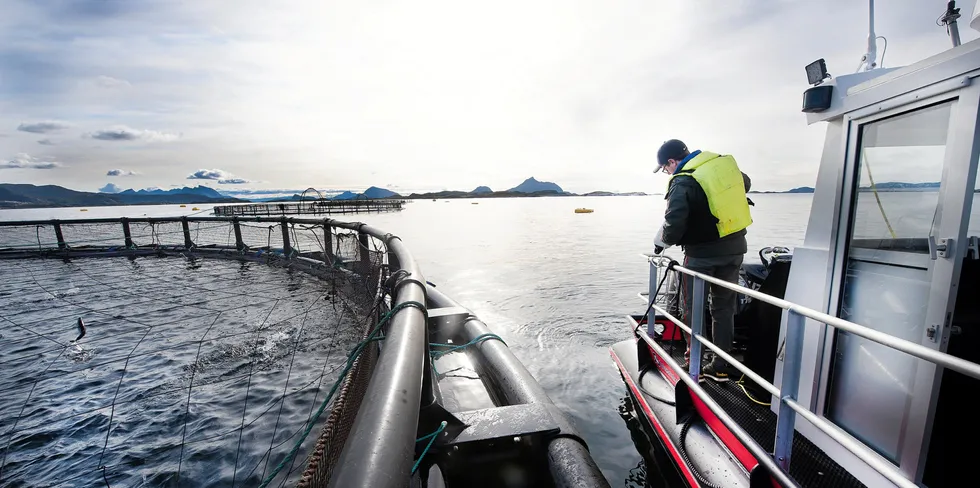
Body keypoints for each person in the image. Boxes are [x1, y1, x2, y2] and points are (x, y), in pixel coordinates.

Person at [652, 139, 752, 382]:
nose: (667, 172)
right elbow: (745, 184)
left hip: (701, 257)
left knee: (692, 309)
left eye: (665, 168)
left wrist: (660, 243)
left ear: (672, 162)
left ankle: (693, 360)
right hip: (735, 251)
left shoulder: (683, 180)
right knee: (724, 308)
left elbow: (674, 225)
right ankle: (721, 364)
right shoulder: (721, 167)